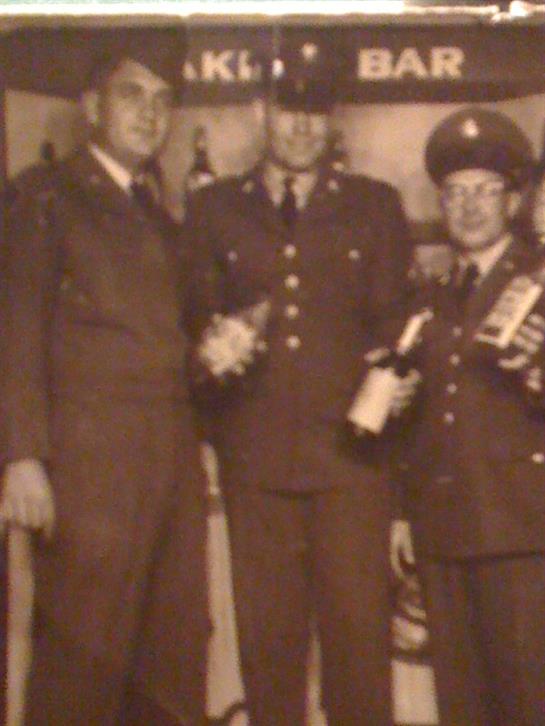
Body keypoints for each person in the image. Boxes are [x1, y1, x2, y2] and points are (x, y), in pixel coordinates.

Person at [186, 37, 412, 726]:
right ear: (262, 112)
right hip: (256, 470)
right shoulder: (214, 208)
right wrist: (211, 358)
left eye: (315, 111)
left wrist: (399, 383)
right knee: (269, 656)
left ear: (332, 118)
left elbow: (398, 329)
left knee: (358, 658)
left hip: (352, 470)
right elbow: (191, 336)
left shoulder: (374, 206)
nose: (302, 126)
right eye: (288, 110)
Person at [0, 28, 208, 726]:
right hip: (90, 474)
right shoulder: (47, 197)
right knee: (82, 665)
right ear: (92, 106)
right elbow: (15, 327)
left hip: (170, 467)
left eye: (163, 99)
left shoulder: (158, 215)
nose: (150, 113)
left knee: (171, 658)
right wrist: (22, 456)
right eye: (131, 94)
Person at [391, 107, 545, 726]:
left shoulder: (539, 282)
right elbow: (419, 417)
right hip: (442, 532)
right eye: (455, 192)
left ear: (513, 200)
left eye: (485, 190)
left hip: (519, 530)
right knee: (461, 707)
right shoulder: (431, 294)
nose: (470, 206)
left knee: (527, 703)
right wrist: (404, 512)